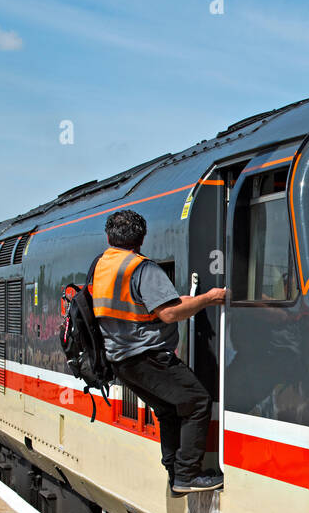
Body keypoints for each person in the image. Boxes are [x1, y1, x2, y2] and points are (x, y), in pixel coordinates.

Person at [91, 210, 227, 494]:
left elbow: (142, 305)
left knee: (168, 410)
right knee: (198, 402)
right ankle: (188, 475)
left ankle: (174, 473)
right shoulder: (142, 268)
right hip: (148, 356)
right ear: (142, 239)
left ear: (108, 238)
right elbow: (169, 313)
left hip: (120, 359)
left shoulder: (102, 265)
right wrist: (209, 298)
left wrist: (188, 300)